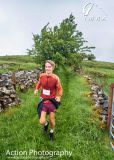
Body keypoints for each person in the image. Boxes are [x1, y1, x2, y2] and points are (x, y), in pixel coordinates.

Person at [34, 60, 63, 141]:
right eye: (46, 66)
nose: (47, 68)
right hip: (43, 100)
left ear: (53, 68)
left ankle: (51, 131)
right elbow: (39, 83)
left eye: (49, 67)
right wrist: (36, 89)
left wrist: (59, 96)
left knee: (52, 121)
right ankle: (46, 124)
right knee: (41, 121)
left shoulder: (55, 78)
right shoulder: (41, 76)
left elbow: (60, 89)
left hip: (51, 101)